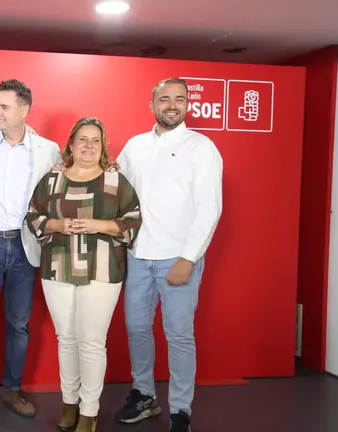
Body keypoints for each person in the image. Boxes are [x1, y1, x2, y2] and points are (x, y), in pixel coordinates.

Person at [113, 77, 223, 432]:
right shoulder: (135, 146)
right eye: (164, 99)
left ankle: (180, 411)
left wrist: (189, 258)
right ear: (152, 105)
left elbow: (210, 207)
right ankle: (144, 395)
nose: (172, 105)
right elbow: (112, 185)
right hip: (138, 255)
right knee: (136, 329)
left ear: (187, 104)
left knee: (179, 336)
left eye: (179, 98)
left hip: (178, 257)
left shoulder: (201, 147)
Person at [26, 117, 142, 432]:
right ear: (71, 144)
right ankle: (69, 402)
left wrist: (97, 226)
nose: (89, 145)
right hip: (58, 265)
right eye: (82, 139)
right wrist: (57, 224)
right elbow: (33, 217)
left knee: (91, 341)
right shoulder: (52, 180)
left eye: (95, 140)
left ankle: (89, 411)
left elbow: (133, 220)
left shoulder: (116, 181)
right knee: (66, 338)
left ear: (103, 147)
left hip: (102, 267)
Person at [0, 79, 61, 430]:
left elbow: (66, 183)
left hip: (25, 245)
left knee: (19, 325)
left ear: (24, 110)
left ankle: (12, 389)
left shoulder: (48, 150)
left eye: (4, 107)